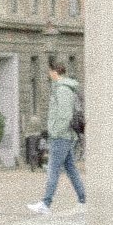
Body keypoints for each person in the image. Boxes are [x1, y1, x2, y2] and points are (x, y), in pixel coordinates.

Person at [28, 54, 85, 213]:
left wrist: (54, 131)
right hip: (64, 135)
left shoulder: (62, 89)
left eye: (49, 72)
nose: (48, 75)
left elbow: (64, 115)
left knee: (52, 169)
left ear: (54, 72)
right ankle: (84, 199)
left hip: (61, 136)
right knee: (70, 168)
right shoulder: (63, 88)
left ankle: (46, 203)